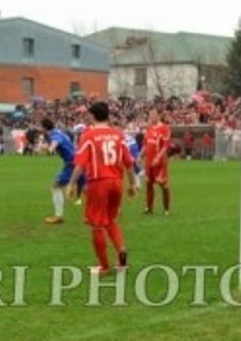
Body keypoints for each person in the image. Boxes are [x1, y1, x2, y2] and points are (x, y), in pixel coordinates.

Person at [67, 101, 136, 274]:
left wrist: (71, 183)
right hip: (117, 182)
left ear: (92, 116)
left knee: (97, 225)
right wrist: (133, 183)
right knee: (111, 221)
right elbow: (129, 163)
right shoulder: (119, 135)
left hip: (99, 182)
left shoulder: (89, 136)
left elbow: (80, 165)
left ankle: (104, 266)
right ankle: (121, 255)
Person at [40, 117, 84, 225]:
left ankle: (58, 216)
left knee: (55, 186)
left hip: (72, 164)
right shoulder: (58, 131)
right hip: (78, 160)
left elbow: (52, 148)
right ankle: (106, 211)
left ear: (44, 128)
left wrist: (44, 148)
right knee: (88, 189)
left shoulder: (55, 135)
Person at [142, 108, 173, 215]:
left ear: (158, 116)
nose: (151, 116)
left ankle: (166, 209)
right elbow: (146, 144)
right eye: (150, 114)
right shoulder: (149, 128)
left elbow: (165, 147)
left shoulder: (164, 128)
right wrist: (140, 155)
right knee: (148, 184)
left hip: (159, 162)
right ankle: (149, 208)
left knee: (163, 185)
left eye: (153, 114)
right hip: (149, 161)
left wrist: (157, 158)